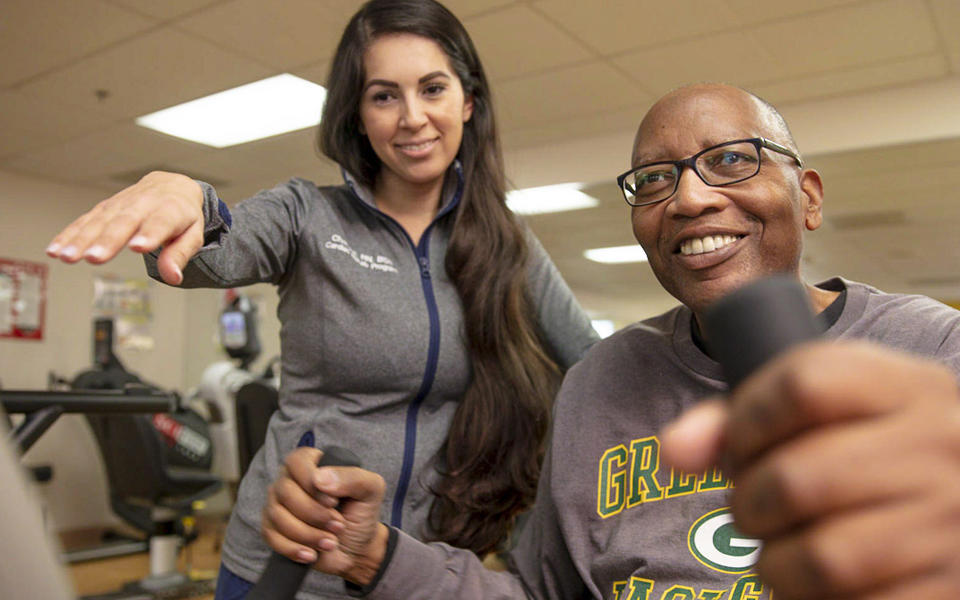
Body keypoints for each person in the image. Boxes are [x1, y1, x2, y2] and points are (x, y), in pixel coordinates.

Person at [261, 83, 960, 599]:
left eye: (730, 160)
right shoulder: (601, 380)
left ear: (807, 196)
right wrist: (375, 554)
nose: (688, 199)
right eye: (655, 180)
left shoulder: (934, 350)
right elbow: (540, 594)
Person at [44, 1, 599, 597]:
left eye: (432, 88)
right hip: (285, 564)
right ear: (358, 115)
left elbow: (598, 370)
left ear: (467, 101)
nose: (413, 117)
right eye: (384, 96)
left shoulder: (507, 244)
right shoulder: (307, 215)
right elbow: (217, 251)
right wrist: (186, 197)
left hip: (417, 571)